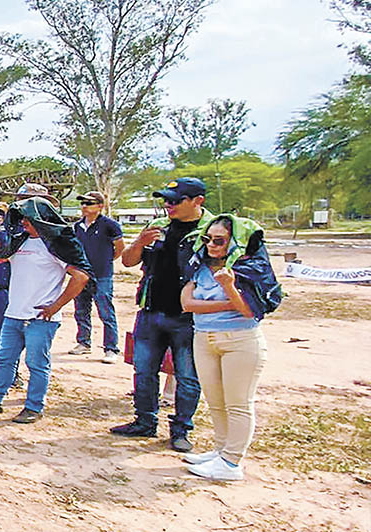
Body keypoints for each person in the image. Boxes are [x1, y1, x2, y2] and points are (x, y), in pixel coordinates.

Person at [0, 196, 91, 424]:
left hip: (40, 318)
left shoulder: (57, 244)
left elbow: (81, 277)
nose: (22, 223)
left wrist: (56, 306)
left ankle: (34, 406)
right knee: (4, 359)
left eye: (27, 219)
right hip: (14, 313)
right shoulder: (19, 242)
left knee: (36, 363)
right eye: (21, 219)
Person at [110, 178, 213, 452]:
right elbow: (129, 261)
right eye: (166, 200)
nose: (169, 205)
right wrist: (140, 242)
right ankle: (144, 421)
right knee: (143, 371)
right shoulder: (157, 228)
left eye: (176, 200)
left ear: (197, 201)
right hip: (151, 311)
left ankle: (181, 430)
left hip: (188, 318)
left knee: (188, 377)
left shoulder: (213, 230)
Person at [180, 214, 279, 480]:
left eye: (219, 240)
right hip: (204, 337)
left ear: (235, 242)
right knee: (216, 401)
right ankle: (220, 450)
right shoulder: (199, 265)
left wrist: (230, 287)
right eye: (207, 239)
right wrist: (228, 303)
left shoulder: (248, 269)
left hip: (240, 341)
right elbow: (187, 303)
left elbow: (249, 311)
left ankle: (232, 461)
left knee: (238, 403)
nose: (211, 245)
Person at [69, 191, 125, 363]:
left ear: (100, 206)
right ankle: (84, 342)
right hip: (82, 274)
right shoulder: (78, 226)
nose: (85, 206)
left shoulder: (110, 225)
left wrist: (106, 260)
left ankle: (111, 348)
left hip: (101, 275)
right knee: (81, 309)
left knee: (106, 311)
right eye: (83, 203)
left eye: (89, 203)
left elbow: (119, 248)